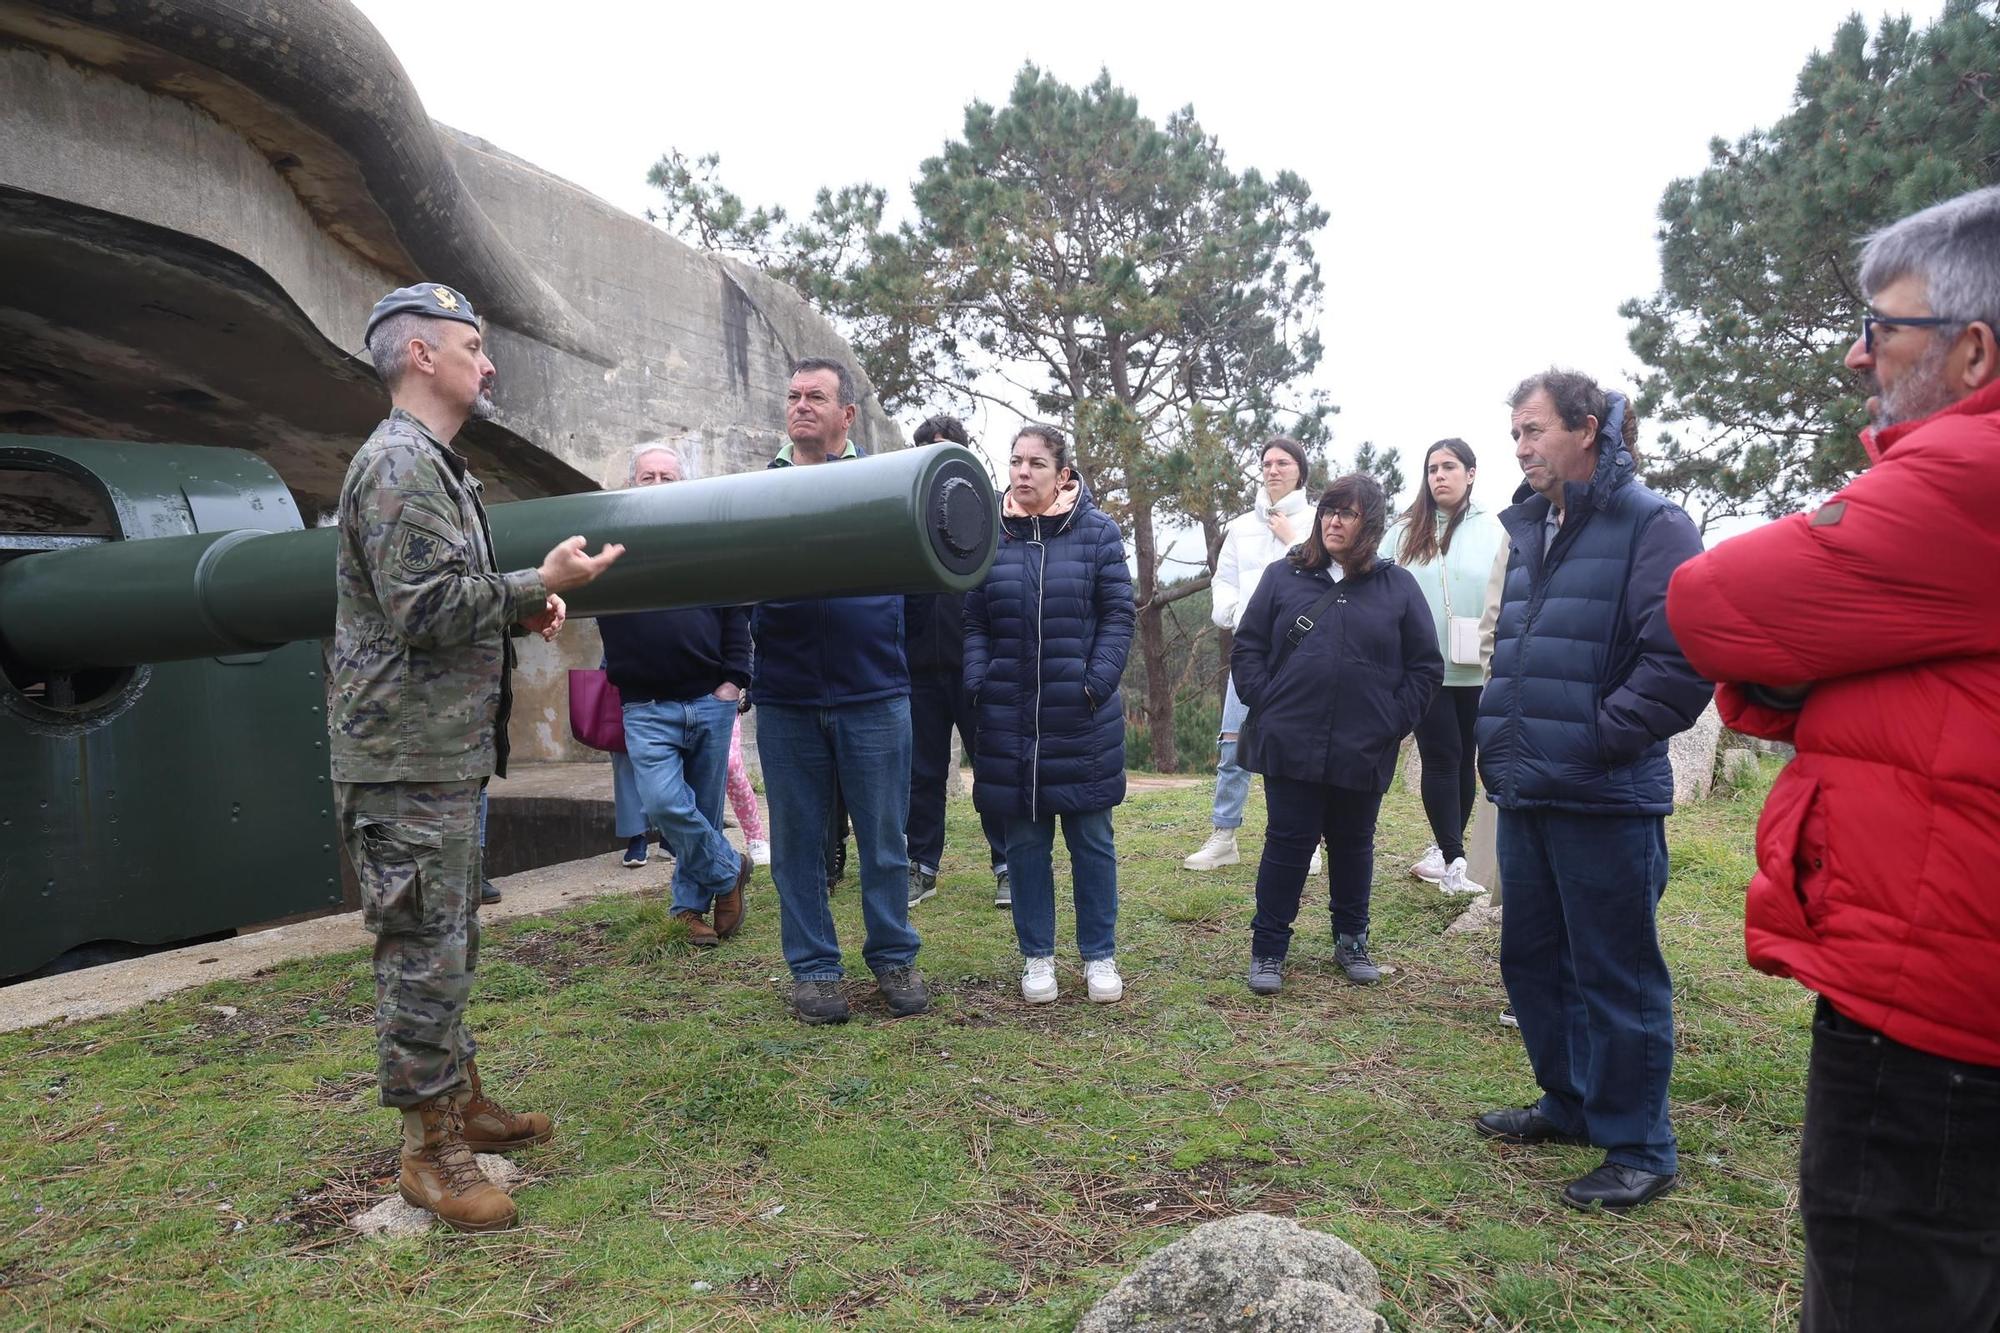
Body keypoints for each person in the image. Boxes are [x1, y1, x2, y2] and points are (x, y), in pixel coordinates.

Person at [1665, 186, 2000, 1330]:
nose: (1860, 358)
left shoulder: (1967, 476)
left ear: (1968, 349)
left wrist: (1826, 664)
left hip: (1934, 1002)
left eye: (1880, 328)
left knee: (1886, 1286)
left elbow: (1709, 605)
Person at [331, 283, 622, 1231]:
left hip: (434, 752)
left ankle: (458, 1100)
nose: (487, 362)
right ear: (421, 355)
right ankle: (428, 1152)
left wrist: (517, 602)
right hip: (403, 757)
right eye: (473, 344)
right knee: (421, 950)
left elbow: (445, 593)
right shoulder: (396, 466)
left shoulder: (436, 466)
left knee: (448, 942)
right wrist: (540, 579)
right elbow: (421, 608)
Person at [1471, 370, 1709, 1213]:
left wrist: (1597, 738)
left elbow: (1681, 664)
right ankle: (1569, 1102)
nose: (1522, 448)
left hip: (1606, 793)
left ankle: (1642, 1144)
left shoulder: (1655, 524)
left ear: (1588, 428)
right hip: (1528, 785)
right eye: (1516, 435)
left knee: (1618, 973)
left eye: (1534, 430)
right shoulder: (1534, 525)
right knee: (1532, 959)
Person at [751, 357, 926, 1024]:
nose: (801, 405)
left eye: (816, 396)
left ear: (846, 414)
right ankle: (816, 969)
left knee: (884, 839)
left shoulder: (880, 484)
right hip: (787, 692)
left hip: (873, 689)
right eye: (793, 396)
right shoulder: (757, 489)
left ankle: (892, 955)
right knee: (797, 841)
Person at [1233, 474, 1441, 995]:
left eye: (1346, 513)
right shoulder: (1285, 577)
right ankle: (1268, 949)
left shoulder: (1398, 587)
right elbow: (1248, 646)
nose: (1333, 521)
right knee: (1287, 843)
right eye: (1329, 510)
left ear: (1368, 524)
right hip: (1291, 739)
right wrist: (1268, 701)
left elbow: (1424, 668)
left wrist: (1391, 723)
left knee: (1353, 845)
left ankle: (1351, 940)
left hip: (1363, 746)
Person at [964, 424, 1134, 1005]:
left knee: (1091, 839)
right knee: (1026, 844)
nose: (1022, 472)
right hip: (1009, 715)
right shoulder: (990, 535)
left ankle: (1099, 956)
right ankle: (1037, 958)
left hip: (1080, 715)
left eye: (1036, 463)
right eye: (1015, 461)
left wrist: (1094, 684)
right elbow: (974, 621)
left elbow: (1118, 616)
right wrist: (979, 681)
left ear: (1063, 473)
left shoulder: (1098, 533)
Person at [595, 443, 753, 949]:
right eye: (648, 477)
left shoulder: (709, 540)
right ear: (631, 484)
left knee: (703, 812)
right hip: (646, 707)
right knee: (664, 806)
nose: (659, 485)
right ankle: (730, 871)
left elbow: (737, 613)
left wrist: (734, 681)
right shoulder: (610, 545)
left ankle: (688, 907)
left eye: (668, 476)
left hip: (710, 699)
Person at [1184, 437, 1316, 873]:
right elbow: (1223, 580)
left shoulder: (1318, 521)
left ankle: (1307, 839)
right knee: (1233, 742)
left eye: (1283, 462)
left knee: (1300, 743)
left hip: (1303, 649)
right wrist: (1235, 611)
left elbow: (1329, 578)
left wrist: (1294, 539)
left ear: (1300, 470)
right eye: (1267, 463)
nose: (1273, 469)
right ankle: (1224, 836)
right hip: (1251, 647)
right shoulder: (1241, 526)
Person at [1383, 440, 1506, 896]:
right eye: (1432, 468)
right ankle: (1455, 858)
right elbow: (1380, 585)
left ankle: (1444, 848)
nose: (1439, 475)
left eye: (1449, 467)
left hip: (1476, 661)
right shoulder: (1402, 531)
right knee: (1439, 754)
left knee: (1464, 759)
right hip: (1421, 665)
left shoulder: (1493, 529)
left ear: (1471, 473)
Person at [903, 414, 1011, 909]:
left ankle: (1007, 865)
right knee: (921, 773)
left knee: (991, 767)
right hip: (918, 668)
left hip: (978, 667)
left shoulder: (987, 512)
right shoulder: (902, 513)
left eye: (942, 448)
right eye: (924, 449)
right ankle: (920, 868)